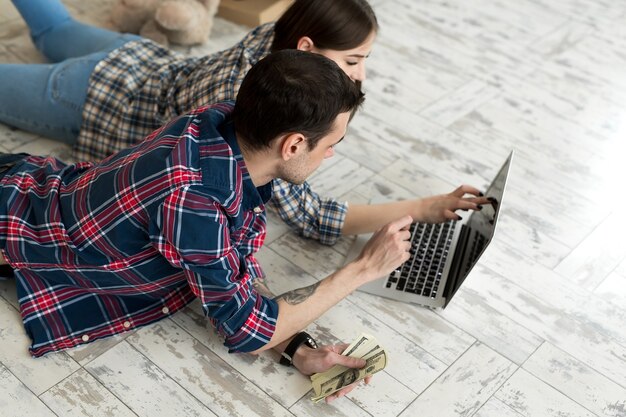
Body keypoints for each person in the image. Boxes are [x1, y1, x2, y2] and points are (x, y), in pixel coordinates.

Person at [0, 50, 407, 402]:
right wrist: (362, 269)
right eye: (332, 142)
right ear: (294, 145)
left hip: (32, 187)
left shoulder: (226, 124)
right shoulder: (197, 200)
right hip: (13, 220)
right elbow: (245, 330)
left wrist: (298, 347)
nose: (333, 154)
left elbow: (229, 274)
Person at [0, 0, 488, 249]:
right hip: (93, 98)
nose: (362, 75)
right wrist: (422, 206)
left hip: (139, 59)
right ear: (306, 50)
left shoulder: (275, 43)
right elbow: (315, 216)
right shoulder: (254, 110)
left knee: (54, 28)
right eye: (354, 61)